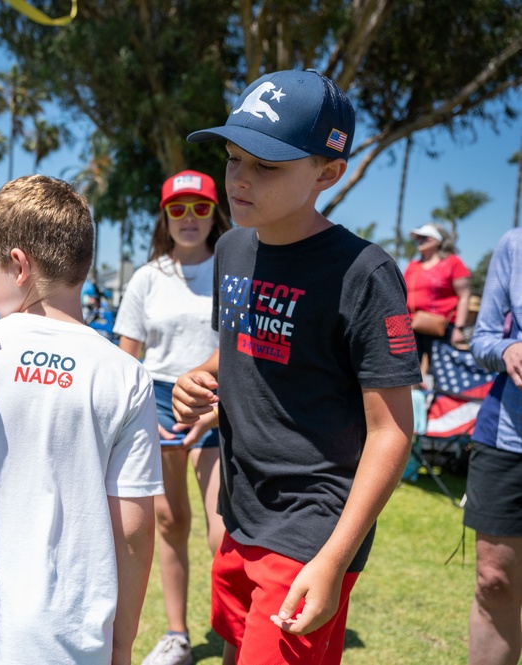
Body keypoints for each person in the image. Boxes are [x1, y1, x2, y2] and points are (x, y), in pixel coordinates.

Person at [172, 70, 421, 665]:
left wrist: (334, 558)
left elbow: (392, 432)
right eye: (234, 158)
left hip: (313, 528)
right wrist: (198, 377)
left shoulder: (365, 272)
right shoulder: (231, 248)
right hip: (239, 510)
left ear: (328, 173)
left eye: (267, 166)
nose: (239, 178)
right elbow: (237, 346)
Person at [0, 175, 164, 665]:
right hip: (71, 639)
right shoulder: (127, 375)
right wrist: (122, 640)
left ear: (19, 266)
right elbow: (133, 529)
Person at [113, 169, 230, 665]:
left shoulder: (235, 268)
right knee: (168, 520)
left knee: (222, 527)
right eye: (178, 208)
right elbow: (126, 357)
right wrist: (140, 413)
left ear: (214, 213)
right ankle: (178, 636)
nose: (189, 218)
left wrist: (220, 407)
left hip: (217, 399)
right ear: (165, 215)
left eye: (200, 207)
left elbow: (242, 347)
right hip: (155, 400)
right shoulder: (147, 277)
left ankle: (235, 634)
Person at [466, 226, 522, 665]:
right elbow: (481, 339)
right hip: (506, 438)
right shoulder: (514, 245)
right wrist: (507, 350)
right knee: (494, 581)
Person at [404, 222, 472, 371]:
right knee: (408, 371)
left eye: (425, 237)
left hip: (443, 327)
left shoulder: (453, 262)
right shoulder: (413, 265)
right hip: (412, 325)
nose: (420, 240)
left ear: (438, 240)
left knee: (442, 371)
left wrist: (459, 329)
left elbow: (464, 296)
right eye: (418, 238)